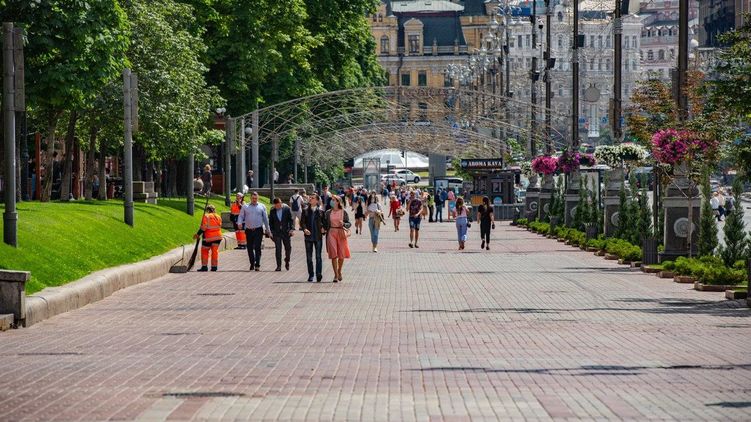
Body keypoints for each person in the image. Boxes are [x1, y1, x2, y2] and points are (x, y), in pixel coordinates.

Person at [237, 191, 271, 271]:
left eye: (256, 198)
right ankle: (252, 263)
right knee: (249, 248)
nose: (254, 200)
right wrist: (239, 223)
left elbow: (265, 219)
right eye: (253, 198)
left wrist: (268, 230)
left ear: (258, 198)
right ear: (250, 198)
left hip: (258, 229)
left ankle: (257, 264)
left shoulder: (262, 206)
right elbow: (241, 216)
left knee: (257, 247)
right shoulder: (245, 206)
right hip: (249, 230)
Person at [323, 195, 351, 283]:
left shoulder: (343, 212)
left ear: (338, 202)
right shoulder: (328, 212)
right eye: (331, 200)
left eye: (333, 200)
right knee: (333, 254)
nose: (331, 201)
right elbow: (325, 223)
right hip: (331, 233)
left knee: (341, 255)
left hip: (341, 233)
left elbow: (349, 224)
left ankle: (339, 271)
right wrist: (323, 229)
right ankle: (335, 275)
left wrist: (344, 224)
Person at [300, 193, 326, 282]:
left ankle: (318, 274)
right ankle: (311, 275)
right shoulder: (305, 210)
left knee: (318, 256)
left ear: (317, 201)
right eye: (310, 197)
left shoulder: (321, 211)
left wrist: (324, 229)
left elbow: (325, 222)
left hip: (318, 237)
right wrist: (304, 229)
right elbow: (302, 222)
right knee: (309, 257)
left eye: (313, 198)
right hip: (308, 237)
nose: (310, 199)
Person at [194, 204, 223, 272]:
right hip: (218, 237)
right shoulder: (218, 216)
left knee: (205, 251)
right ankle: (214, 267)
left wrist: (198, 234)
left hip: (208, 238)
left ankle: (204, 267)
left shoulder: (206, 216)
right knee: (215, 252)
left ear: (207, 210)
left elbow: (203, 228)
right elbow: (219, 225)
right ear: (214, 210)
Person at [269, 197, 295, 271]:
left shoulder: (287, 209)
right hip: (277, 233)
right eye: (277, 205)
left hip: (286, 232)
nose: (279, 206)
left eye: (280, 204)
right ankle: (278, 266)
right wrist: (272, 231)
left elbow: (291, 220)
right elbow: (271, 222)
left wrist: (291, 229)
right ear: (275, 205)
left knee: (288, 248)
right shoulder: (272, 211)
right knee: (278, 249)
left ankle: (287, 260)